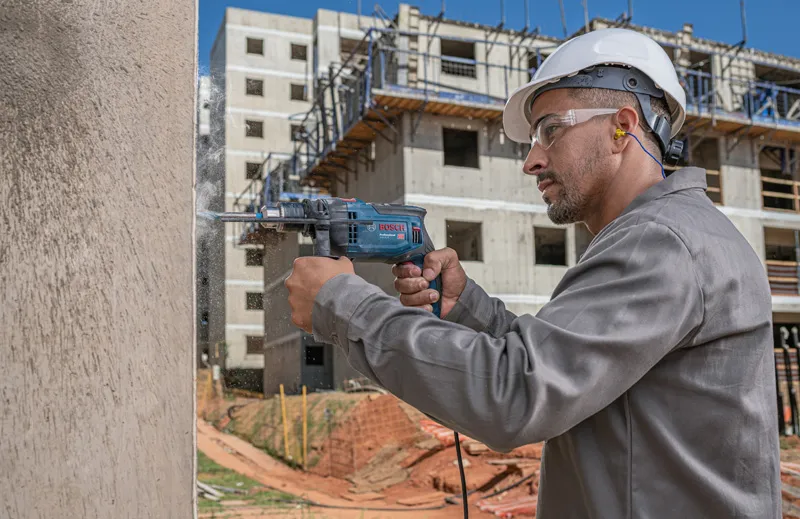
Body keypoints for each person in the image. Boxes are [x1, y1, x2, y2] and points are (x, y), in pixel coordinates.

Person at [285, 28, 781, 518]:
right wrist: (467, 311)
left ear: (623, 127)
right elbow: (564, 371)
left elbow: (515, 394)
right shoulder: (674, 235)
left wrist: (340, 303)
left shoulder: (658, 242)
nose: (531, 160)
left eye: (550, 130)